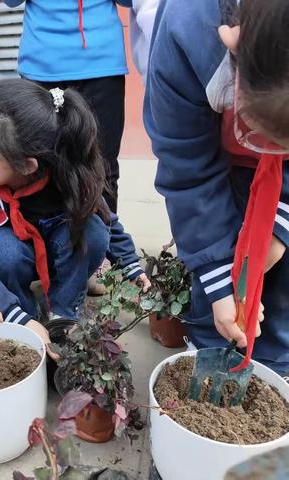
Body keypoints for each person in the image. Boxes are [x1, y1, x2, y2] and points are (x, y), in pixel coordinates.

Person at [0, 79, 150, 355]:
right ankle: (23, 317)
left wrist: (131, 266)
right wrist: (15, 315)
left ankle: (64, 312)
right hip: (16, 259)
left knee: (92, 231)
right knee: (1, 249)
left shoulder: (71, 179)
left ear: (26, 165)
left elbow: (108, 220)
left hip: (61, 254)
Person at [144, 0, 289, 376]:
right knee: (215, 294)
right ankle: (209, 348)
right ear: (232, 42)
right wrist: (218, 274)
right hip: (217, 163)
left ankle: (276, 371)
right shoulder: (188, 28)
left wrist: (280, 225)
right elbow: (187, 167)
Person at [3, 0, 158, 213]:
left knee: (102, 167)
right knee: (40, 166)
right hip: (40, 65)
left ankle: (104, 241)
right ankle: (47, 242)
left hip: (102, 66)